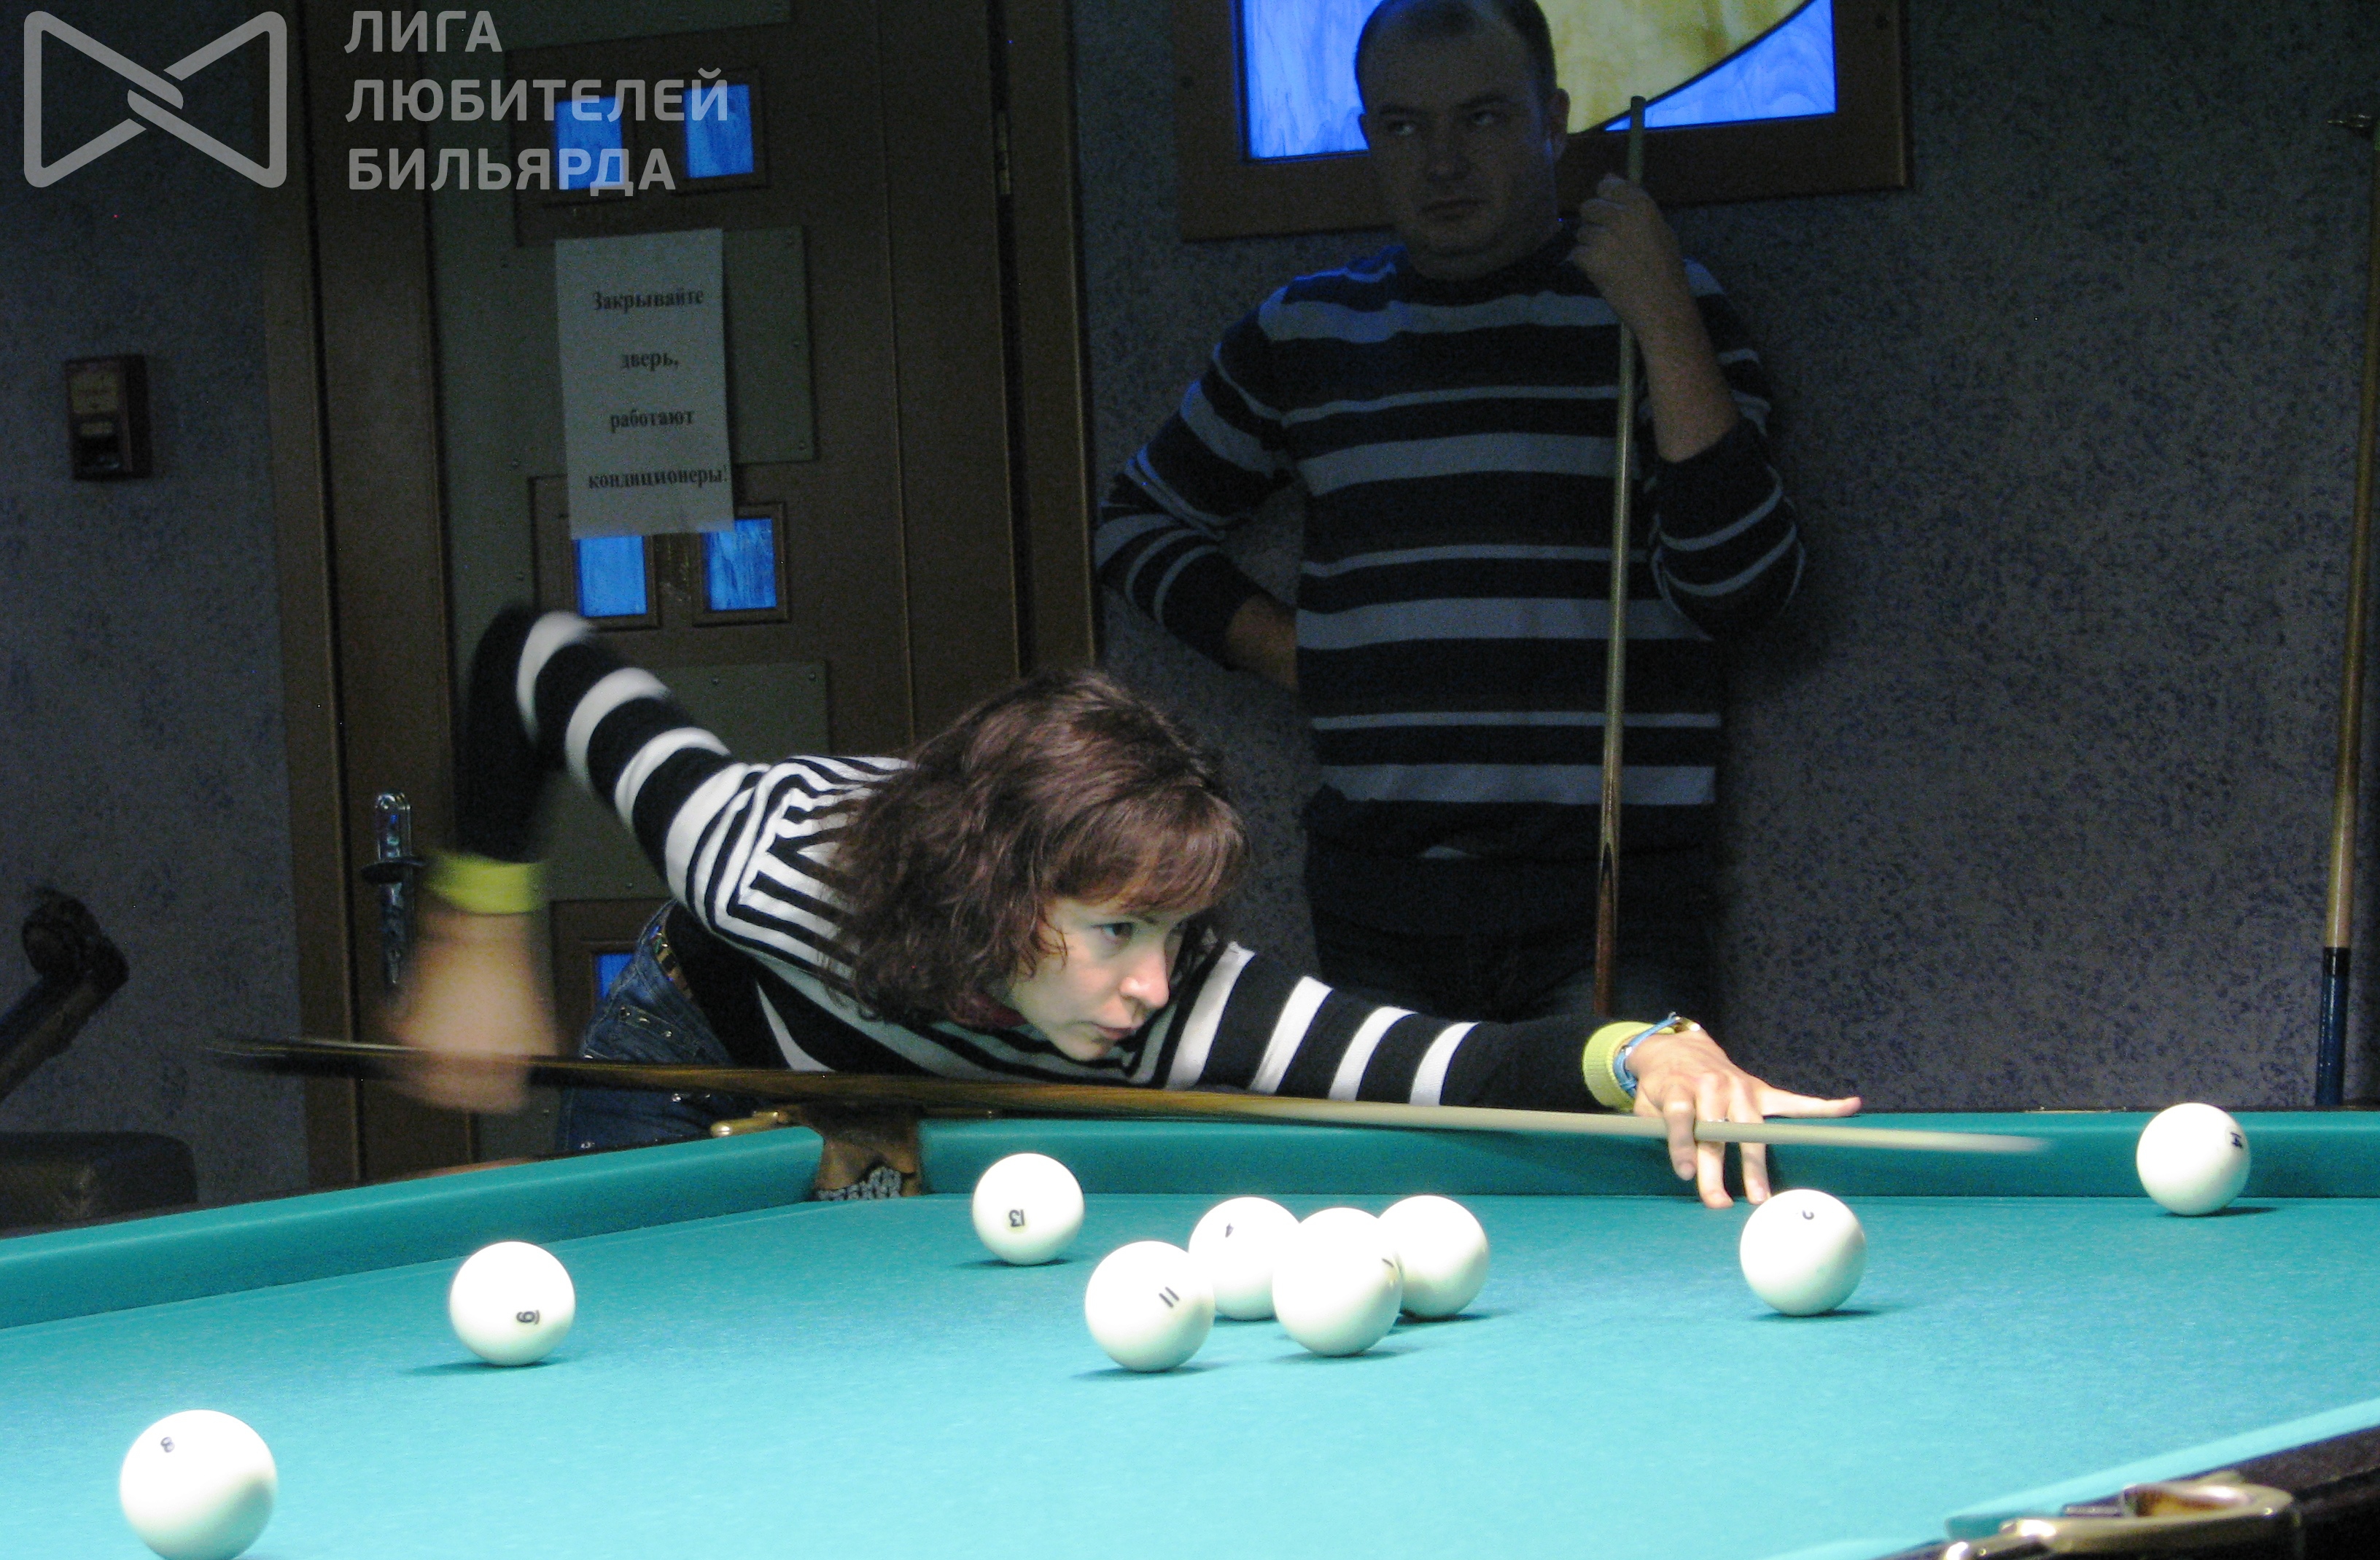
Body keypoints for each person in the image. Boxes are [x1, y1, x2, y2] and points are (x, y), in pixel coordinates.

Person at [391, 607, 1856, 1207]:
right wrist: (476, 930)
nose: (1157, 986)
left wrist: (1640, 1051)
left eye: (1170, 935)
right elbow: (536, 654)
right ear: (995, 896)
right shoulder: (771, 860)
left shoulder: (1176, 999)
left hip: (932, 1095)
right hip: (698, 1059)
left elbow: (1451, 1065)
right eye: (1114, 935)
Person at [1097, 0, 1802, 1026]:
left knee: (1624, 1140)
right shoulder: (1305, 332)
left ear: (1551, 121)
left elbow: (1741, 593)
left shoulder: (1656, 305)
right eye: (1403, 126)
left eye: (1482, 118)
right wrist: (1300, 653)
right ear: (1369, 137)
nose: (1440, 162)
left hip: (1618, 897)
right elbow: (1134, 522)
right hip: (1381, 898)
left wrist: (1660, 315)